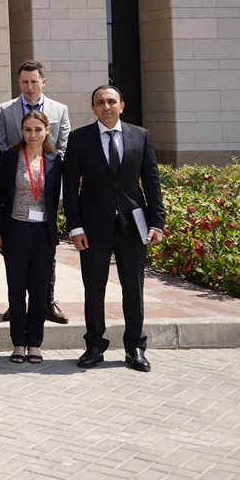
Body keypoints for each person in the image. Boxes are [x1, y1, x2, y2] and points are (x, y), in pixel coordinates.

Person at [63, 86, 165, 372]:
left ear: (122, 105)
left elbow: (152, 182)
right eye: (100, 102)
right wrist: (75, 227)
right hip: (92, 229)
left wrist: (157, 223)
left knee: (133, 290)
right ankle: (94, 346)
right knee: (94, 290)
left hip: (132, 226)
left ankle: (135, 347)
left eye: (111, 101)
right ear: (93, 108)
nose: (106, 106)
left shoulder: (140, 136)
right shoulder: (79, 138)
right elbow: (69, 187)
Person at [0, 60, 72, 326]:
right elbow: (1, 147)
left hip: (47, 191)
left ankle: (47, 301)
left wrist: (47, 167)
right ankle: (16, 304)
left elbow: (65, 148)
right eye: (25, 82)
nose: (29, 87)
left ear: (43, 82)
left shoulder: (59, 110)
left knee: (46, 252)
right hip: (17, 191)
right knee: (17, 257)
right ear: (19, 82)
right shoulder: (4, 110)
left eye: (34, 81)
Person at [0, 110, 61, 364]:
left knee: (39, 291)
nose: (33, 135)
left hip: (43, 233)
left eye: (38, 130)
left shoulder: (55, 160)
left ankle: (35, 343)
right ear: (22, 131)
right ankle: (18, 343)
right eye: (28, 129)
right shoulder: (10, 157)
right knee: (17, 289)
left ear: (46, 131)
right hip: (15, 231)